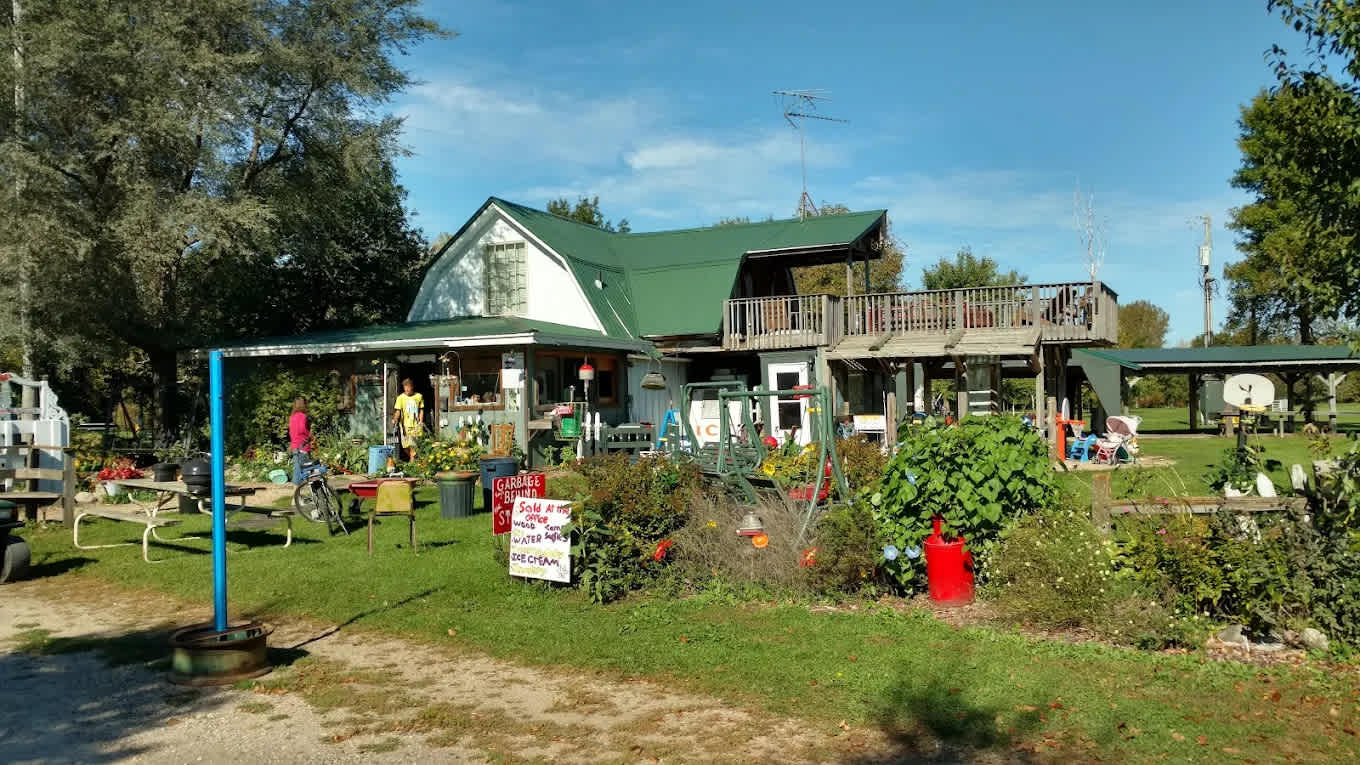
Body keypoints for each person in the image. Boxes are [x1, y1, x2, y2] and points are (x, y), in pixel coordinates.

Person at [393, 378, 425, 461]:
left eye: (408, 386)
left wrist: (421, 422)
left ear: (412, 387)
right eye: (405, 387)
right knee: (405, 447)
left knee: (413, 447)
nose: (406, 389)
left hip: (415, 426)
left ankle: (412, 465)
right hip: (404, 426)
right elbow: (398, 411)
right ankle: (415, 459)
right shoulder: (400, 398)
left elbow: (421, 410)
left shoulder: (419, 396)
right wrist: (395, 419)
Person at [289, 397, 312, 484]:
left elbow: (291, 432)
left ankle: (297, 491)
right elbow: (302, 430)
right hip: (302, 446)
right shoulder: (303, 417)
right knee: (301, 473)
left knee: (298, 470)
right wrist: (309, 436)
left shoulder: (292, 417)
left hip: (295, 446)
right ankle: (296, 491)